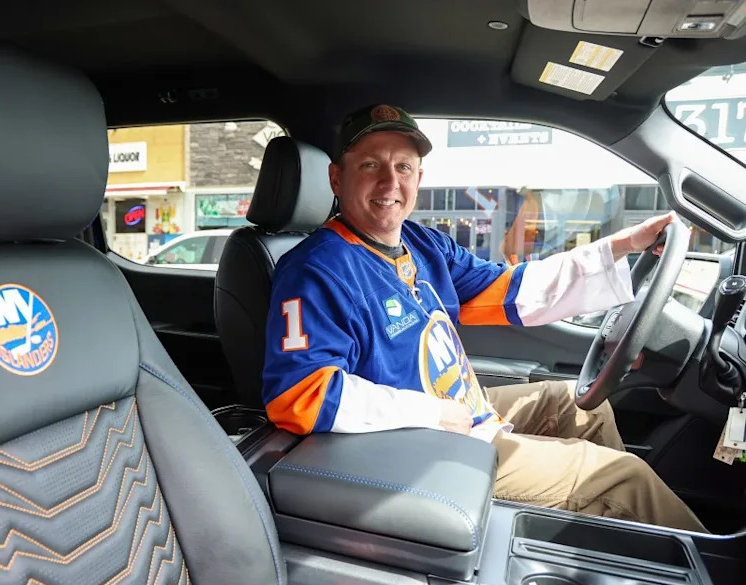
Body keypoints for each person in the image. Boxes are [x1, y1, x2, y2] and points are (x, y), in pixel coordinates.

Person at [262, 103, 707, 533]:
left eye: (403, 167)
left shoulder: (422, 244)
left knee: (577, 406)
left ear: (419, 178)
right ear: (336, 178)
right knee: (622, 477)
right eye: (370, 165)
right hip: (418, 445)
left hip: (460, 414)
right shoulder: (316, 269)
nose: (390, 182)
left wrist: (622, 246)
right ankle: (709, 571)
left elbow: (514, 289)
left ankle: (601, 537)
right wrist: (432, 413)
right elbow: (300, 394)